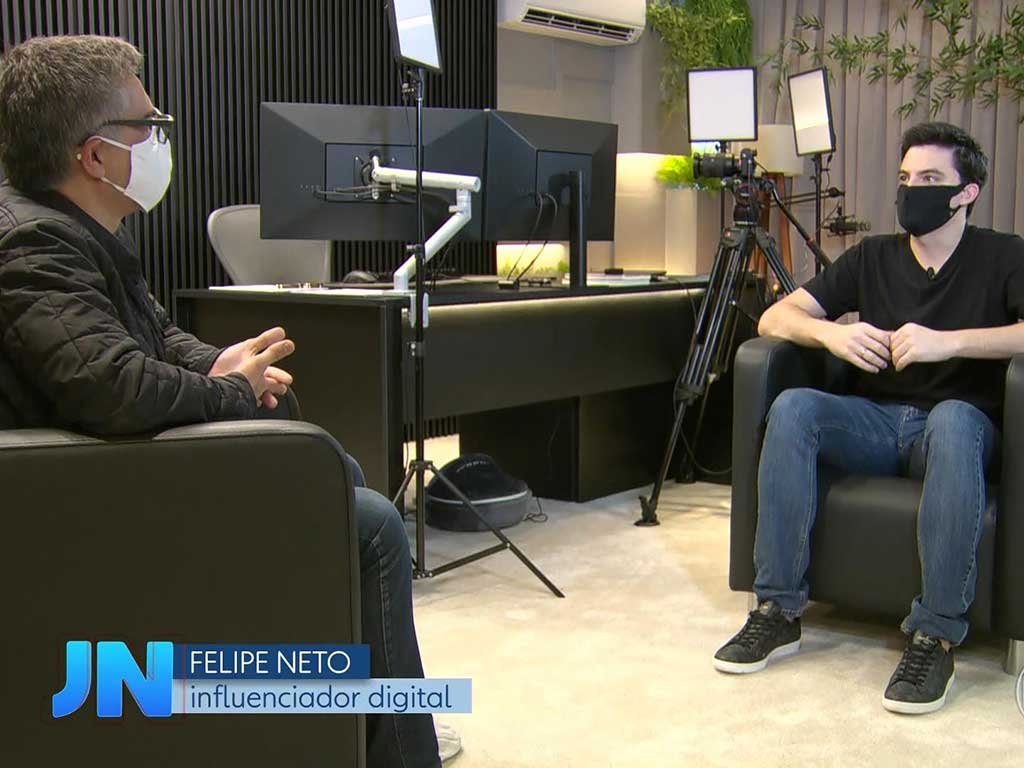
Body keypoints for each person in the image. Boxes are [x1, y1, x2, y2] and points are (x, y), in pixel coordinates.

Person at [0, 34, 456, 766]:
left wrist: (216, 362)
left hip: (104, 470)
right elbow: (113, 385)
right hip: (83, 500)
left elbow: (151, 335)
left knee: (335, 473)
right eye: (148, 125)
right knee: (369, 524)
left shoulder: (75, 230)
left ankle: (365, 714)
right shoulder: (35, 247)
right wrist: (230, 391)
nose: (160, 138)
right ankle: (400, 748)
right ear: (94, 157)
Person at [713, 121, 1024, 714]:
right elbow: (775, 318)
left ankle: (935, 637)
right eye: (906, 178)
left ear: (967, 192)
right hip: (876, 422)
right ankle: (777, 609)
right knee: (794, 407)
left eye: (930, 179)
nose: (912, 191)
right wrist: (832, 334)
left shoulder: (1004, 255)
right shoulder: (873, 256)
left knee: (954, 420)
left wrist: (948, 343)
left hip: (956, 429)